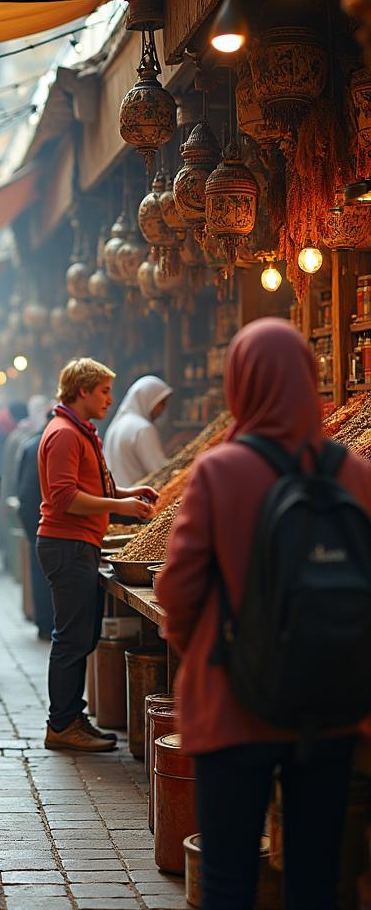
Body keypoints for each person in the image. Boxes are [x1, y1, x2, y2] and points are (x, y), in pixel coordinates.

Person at [155, 319, 371, 909]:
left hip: (232, 702)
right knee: (315, 879)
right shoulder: (354, 475)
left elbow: (177, 591)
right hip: (329, 704)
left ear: (240, 384)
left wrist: (204, 652)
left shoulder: (219, 471)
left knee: (229, 878)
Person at [37, 357, 157, 752]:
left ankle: (72, 715)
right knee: (72, 639)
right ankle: (61, 724)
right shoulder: (65, 434)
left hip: (79, 544)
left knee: (82, 635)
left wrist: (129, 493)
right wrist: (120, 508)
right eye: (103, 390)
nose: (109, 398)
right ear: (82, 391)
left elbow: (95, 485)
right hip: (67, 544)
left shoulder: (81, 431)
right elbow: (65, 497)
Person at [15, 398, 56, 641]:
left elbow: (21, 488)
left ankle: (43, 622)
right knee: (48, 575)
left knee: (39, 571)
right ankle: (48, 623)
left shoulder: (31, 445)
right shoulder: (50, 444)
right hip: (47, 519)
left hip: (33, 517)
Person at [103, 374, 173, 487]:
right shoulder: (143, 428)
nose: (162, 409)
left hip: (117, 499)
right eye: (161, 403)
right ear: (148, 398)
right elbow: (160, 471)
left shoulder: (116, 425)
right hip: (137, 500)